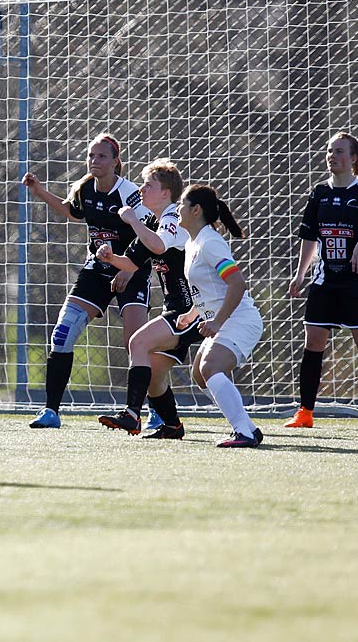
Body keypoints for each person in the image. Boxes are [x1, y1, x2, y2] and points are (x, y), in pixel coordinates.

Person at [20, 134, 149, 427]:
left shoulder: (129, 193)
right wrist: (39, 191)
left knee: (137, 344)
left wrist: (129, 268)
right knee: (62, 334)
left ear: (116, 161)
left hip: (132, 271)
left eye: (102, 156)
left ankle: (146, 413)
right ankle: (50, 411)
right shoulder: (85, 188)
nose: (95, 161)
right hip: (97, 269)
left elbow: (152, 236)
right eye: (91, 156)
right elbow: (72, 212)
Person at [286, 132, 358, 430]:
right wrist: (301, 274)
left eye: (339, 151)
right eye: (329, 151)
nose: (332, 156)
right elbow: (310, 237)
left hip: (357, 283)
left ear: (353, 158)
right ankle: (305, 412)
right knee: (313, 342)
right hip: (324, 281)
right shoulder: (319, 193)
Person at [93, 161, 195, 439]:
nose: (141, 189)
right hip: (177, 309)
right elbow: (131, 262)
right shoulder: (152, 221)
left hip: (194, 309)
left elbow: (159, 245)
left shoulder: (174, 216)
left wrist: (132, 220)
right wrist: (109, 257)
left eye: (148, 185)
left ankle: (131, 415)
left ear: (166, 193)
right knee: (152, 377)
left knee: (137, 342)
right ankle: (173, 426)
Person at [178, 183, 265, 448]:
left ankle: (243, 432)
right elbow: (209, 287)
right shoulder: (193, 242)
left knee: (211, 367)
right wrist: (193, 312)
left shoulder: (211, 242)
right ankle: (248, 427)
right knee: (200, 374)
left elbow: (237, 284)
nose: (177, 209)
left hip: (240, 320)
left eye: (181, 203)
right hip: (226, 318)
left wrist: (217, 322)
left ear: (195, 210)